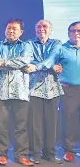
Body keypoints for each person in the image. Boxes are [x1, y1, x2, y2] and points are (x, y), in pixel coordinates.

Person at [0, 19, 34, 166]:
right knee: (1, 125)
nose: (10, 31)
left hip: (20, 91)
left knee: (21, 126)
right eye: (8, 28)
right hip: (1, 92)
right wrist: (2, 64)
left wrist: (3, 63)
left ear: (21, 32)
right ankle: (2, 154)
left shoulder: (26, 45)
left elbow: (24, 60)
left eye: (14, 29)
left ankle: (21, 155)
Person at [26, 20, 63, 164]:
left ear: (51, 30)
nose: (41, 29)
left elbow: (53, 57)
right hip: (34, 88)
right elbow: (28, 60)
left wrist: (36, 66)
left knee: (51, 123)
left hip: (53, 89)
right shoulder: (29, 44)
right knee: (35, 124)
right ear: (35, 30)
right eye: (39, 27)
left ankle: (50, 153)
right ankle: (35, 153)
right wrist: (50, 66)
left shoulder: (57, 43)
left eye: (44, 26)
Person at [58, 21, 80, 163]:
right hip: (69, 89)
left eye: (79, 30)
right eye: (73, 31)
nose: (76, 33)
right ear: (68, 33)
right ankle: (69, 151)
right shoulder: (61, 49)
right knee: (69, 120)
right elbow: (52, 64)